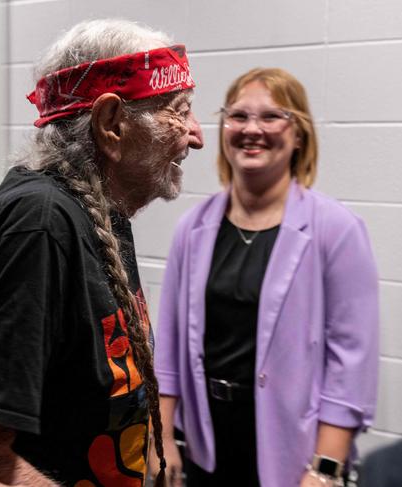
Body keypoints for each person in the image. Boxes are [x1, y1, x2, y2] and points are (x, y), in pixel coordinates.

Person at [0, 18, 204, 487]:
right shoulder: (40, 224)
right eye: (179, 111)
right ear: (112, 124)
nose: (196, 134)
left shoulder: (98, 212)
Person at [152, 67, 379, 487]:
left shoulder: (336, 229)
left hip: (297, 455)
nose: (252, 129)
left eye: (272, 116)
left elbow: (351, 363)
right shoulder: (193, 228)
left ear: (299, 135)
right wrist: (162, 438)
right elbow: (167, 346)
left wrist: (324, 469)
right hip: (207, 444)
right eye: (238, 116)